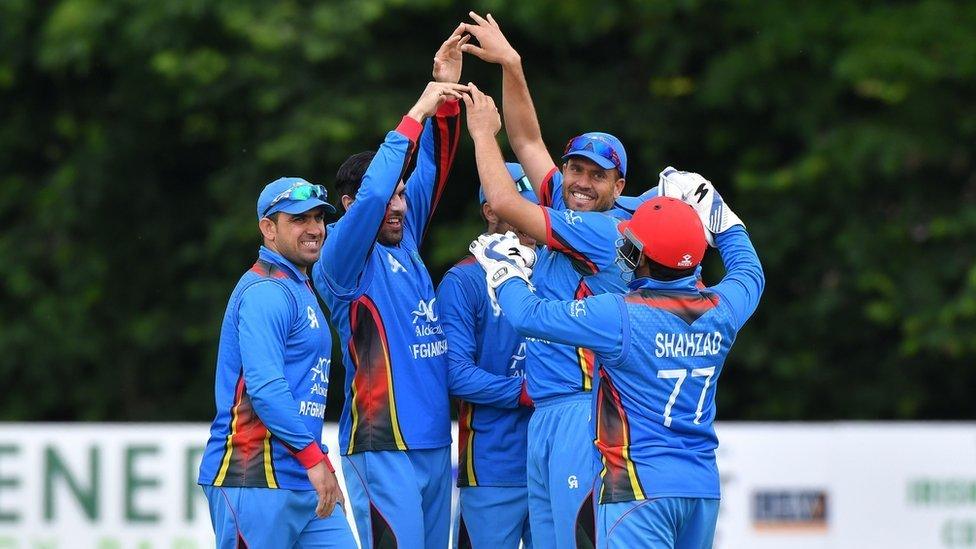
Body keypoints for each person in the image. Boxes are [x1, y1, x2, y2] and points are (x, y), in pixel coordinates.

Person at [469, 170, 765, 548]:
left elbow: (530, 317)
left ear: (641, 257)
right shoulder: (722, 308)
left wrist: (504, 271)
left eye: (629, 245)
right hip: (702, 486)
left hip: (637, 487)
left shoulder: (620, 315)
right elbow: (749, 269)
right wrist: (721, 214)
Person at [312, 32, 526, 548]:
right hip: (380, 443)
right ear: (349, 204)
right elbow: (374, 199)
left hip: (433, 443)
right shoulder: (341, 259)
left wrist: (444, 94)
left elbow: (432, 165)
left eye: (403, 196)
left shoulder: (401, 240)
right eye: (391, 198)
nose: (401, 207)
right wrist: (415, 111)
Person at [459, 14, 653, 543]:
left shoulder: (599, 230)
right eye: (575, 169)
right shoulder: (567, 208)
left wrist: (481, 134)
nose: (581, 182)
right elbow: (526, 138)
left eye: (597, 174)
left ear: (620, 185)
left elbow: (501, 200)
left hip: (582, 411)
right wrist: (512, 65)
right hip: (549, 412)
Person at [198, 177, 356, 548]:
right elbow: (266, 390)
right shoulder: (266, 292)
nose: (314, 229)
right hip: (254, 477)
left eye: (318, 218)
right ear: (268, 229)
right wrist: (316, 461)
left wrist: (318, 464)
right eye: (299, 220)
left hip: (302, 476)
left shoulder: (297, 284)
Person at [436, 163, 538, 549]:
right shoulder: (463, 280)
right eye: (517, 209)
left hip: (554, 462)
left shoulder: (553, 273)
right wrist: (525, 392)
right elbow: (456, 374)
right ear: (490, 210)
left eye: (532, 209)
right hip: (492, 468)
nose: (529, 220)